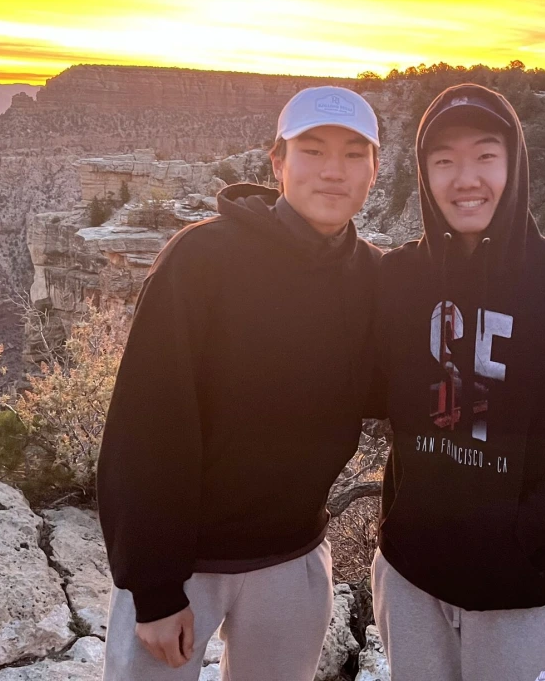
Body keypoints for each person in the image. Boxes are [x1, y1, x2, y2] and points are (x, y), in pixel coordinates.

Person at [97, 86, 381, 680]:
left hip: (293, 560)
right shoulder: (200, 259)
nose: (334, 171)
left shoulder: (376, 279)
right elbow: (143, 427)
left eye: (355, 154)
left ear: (375, 171)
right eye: (313, 150)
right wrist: (153, 589)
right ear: (277, 162)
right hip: (183, 567)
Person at [370, 84, 545, 681]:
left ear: (514, 165)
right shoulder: (396, 279)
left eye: (486, 156)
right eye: (444, 161)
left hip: (523, 585)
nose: (466, 179)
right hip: (413, 576)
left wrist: (538, 531)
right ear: (423, 174)